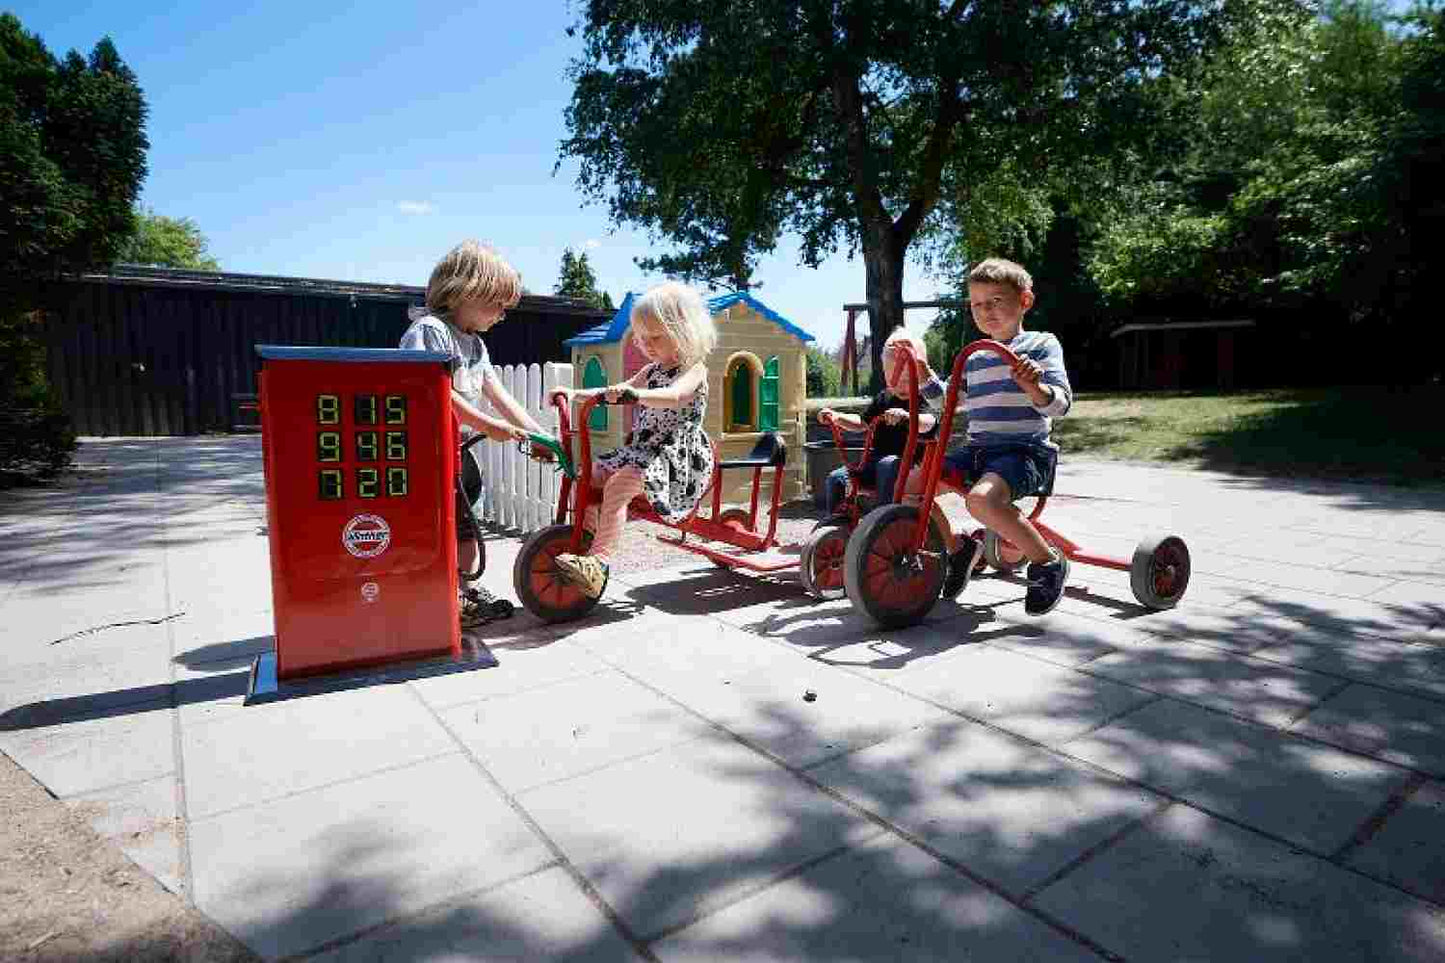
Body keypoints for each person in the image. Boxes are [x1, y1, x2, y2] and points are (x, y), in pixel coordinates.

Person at [908, 257, 1073, 615]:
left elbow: (1060, 405)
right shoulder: (975, 357)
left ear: (1024, 301)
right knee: (909, 486)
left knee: (980, 501)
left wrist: (1034, 386)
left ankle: (1047, 562)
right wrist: (924, 376)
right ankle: (959, 549)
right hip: (979, 450)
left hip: (1024, 452)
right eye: (978, 304)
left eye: (996, 301)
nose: (986, 311)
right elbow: (948, 402)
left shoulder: (1041, 345)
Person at [398, 239, 548, 628]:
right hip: (427, 449)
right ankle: (435, 592)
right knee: (435, 523)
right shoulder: (429, 331)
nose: (502, 314)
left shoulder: (476, 345)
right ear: (466, 291)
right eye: (497, 304)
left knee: (465, 519)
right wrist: (486, 426)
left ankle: (461, 590)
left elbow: (499, 396)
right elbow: (434, 391)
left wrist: (540, 437)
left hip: (458, 449)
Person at [549, 281, 718, 598]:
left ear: (683, 332)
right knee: (590, 474)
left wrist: (637, 395)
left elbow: (675, 396)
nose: (647, 345)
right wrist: (574, 394)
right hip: (643, 450)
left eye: (656, 337)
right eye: (642, 339)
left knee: (617, 485)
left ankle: (598, 563)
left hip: (674, 457)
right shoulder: (651, 370)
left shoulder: (694, 369)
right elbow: (612, 389)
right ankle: (583, 539)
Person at [816, 328, 939, 517]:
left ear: (920, 373)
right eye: (893, 379)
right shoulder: (885, 397)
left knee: (887, 465)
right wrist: (837, 417)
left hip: (912, 467)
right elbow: (862, 423)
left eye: (907, 379)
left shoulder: (924, 399)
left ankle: (882, 518)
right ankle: (837, 521)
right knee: (837, 478)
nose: (900, 386)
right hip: (876, 461)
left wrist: (907, 417)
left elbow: (929, 421)